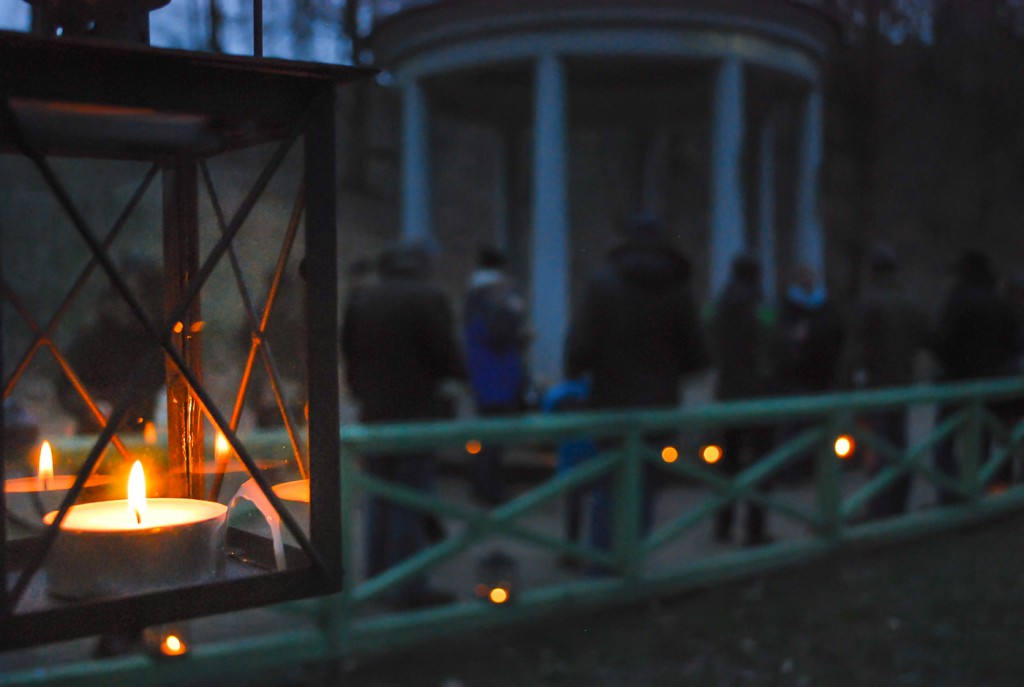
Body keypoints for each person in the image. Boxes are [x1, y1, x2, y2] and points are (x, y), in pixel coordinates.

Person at [565, 215, 709, 561]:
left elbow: (579, 351)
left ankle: (602, 572)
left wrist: (580, 372)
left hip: (611, 407)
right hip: (659, 409)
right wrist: (666, 373)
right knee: (645, 490)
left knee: (608, 489)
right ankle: (631, 566)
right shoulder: (679, 291)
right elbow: (698, 356)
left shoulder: (603, 285)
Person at [340, 241, 466, 608]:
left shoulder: (363, 299)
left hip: (375, 413)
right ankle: (406, 586)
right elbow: (447, 355)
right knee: (409, 499)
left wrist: (362, 392)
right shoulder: (428, 297)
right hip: (416, 414)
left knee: (380, 496)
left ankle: (377, 580)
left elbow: (348, 352)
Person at [844, 243, 930, 519]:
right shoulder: (911, 301)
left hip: (876, 387)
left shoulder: (868, 301)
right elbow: (930, 338)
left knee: (879, 449)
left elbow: (854, 351)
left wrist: (842, 385)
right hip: (903, 385)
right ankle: (898, 505)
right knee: (899, 446)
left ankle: (880, 509)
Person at [930, 249, 1023, 504]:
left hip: (957, 384)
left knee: (943, 445)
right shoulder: (1001, 304)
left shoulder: (958, 301)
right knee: (981, 443)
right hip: (991, 386)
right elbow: (1015, 344)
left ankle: (950, 498)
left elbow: (944, 342)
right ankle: (977, 492)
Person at [708, 252, 777, 546]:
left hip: (727, 391)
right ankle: (755, 529)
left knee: (728, 461)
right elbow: (775, 339)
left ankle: (722, 525)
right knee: (761, 463)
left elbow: (706, 336)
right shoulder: (761, 306)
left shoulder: (717, 305)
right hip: (759, 393)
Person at [57, 257, 165, 435]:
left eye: (141, 295)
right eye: (125, 295)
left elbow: (163, 388)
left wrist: (141, 405)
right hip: (95, 437)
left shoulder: (159, 342)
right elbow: (67, 387)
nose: (131, 305)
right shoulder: (93, 338)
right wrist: (91, 406)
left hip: (145, 438)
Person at [462, 246, 529, 505]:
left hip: (489, 379)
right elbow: (500, 335)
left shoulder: (475, 305)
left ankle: (484, 486)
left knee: (488, 440)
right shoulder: (492, 308)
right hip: (496, 381)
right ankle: (489, 490)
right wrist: (515, 314)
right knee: (493, 442)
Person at [773, 263, 845, 482]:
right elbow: (780, 341)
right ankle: (792, 474)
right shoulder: (787, 308)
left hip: (823, 377)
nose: (808, 282)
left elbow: (837, 335)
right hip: (796, 378)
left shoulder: (826, 306)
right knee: (794, 429)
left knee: (821, 428)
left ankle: (820, 473)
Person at [540, 377, 597, 565]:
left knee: (574, 508)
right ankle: (605, 554)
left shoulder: (557, 394)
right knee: (606, 505)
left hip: (570, 460)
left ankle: (571, 552)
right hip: (601, 456)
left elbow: (547, 427)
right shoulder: (598, 390)